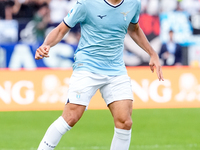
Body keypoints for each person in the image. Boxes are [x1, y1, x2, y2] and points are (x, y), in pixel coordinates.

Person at [35, 0, 164, 149]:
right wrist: (46, 45)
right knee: (70, 117)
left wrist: (152, 53)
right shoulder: (86, 3)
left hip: (116, 69)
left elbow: (134, 29)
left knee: (125, 122)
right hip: (87, 67)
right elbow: (61, 30)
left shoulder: (133, 3)